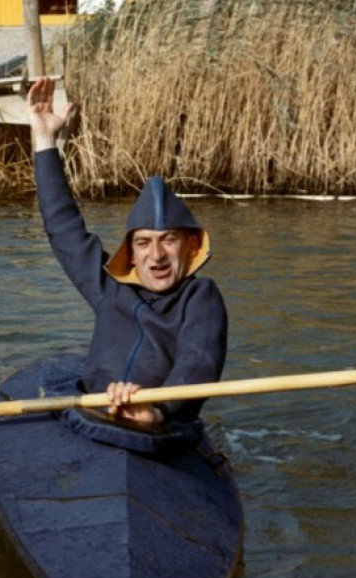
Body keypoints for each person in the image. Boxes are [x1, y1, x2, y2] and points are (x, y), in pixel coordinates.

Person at [27, 76, 227, 428]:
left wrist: (158, 410)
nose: (157, 256)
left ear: (190, 245)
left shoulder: (201, 297)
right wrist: (44, 140)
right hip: (95, 417)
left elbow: (199, 362)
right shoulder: (109, 289)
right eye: (144, 242)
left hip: (159, 425)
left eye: (168, 240)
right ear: (131, 253)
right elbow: (63, 227)